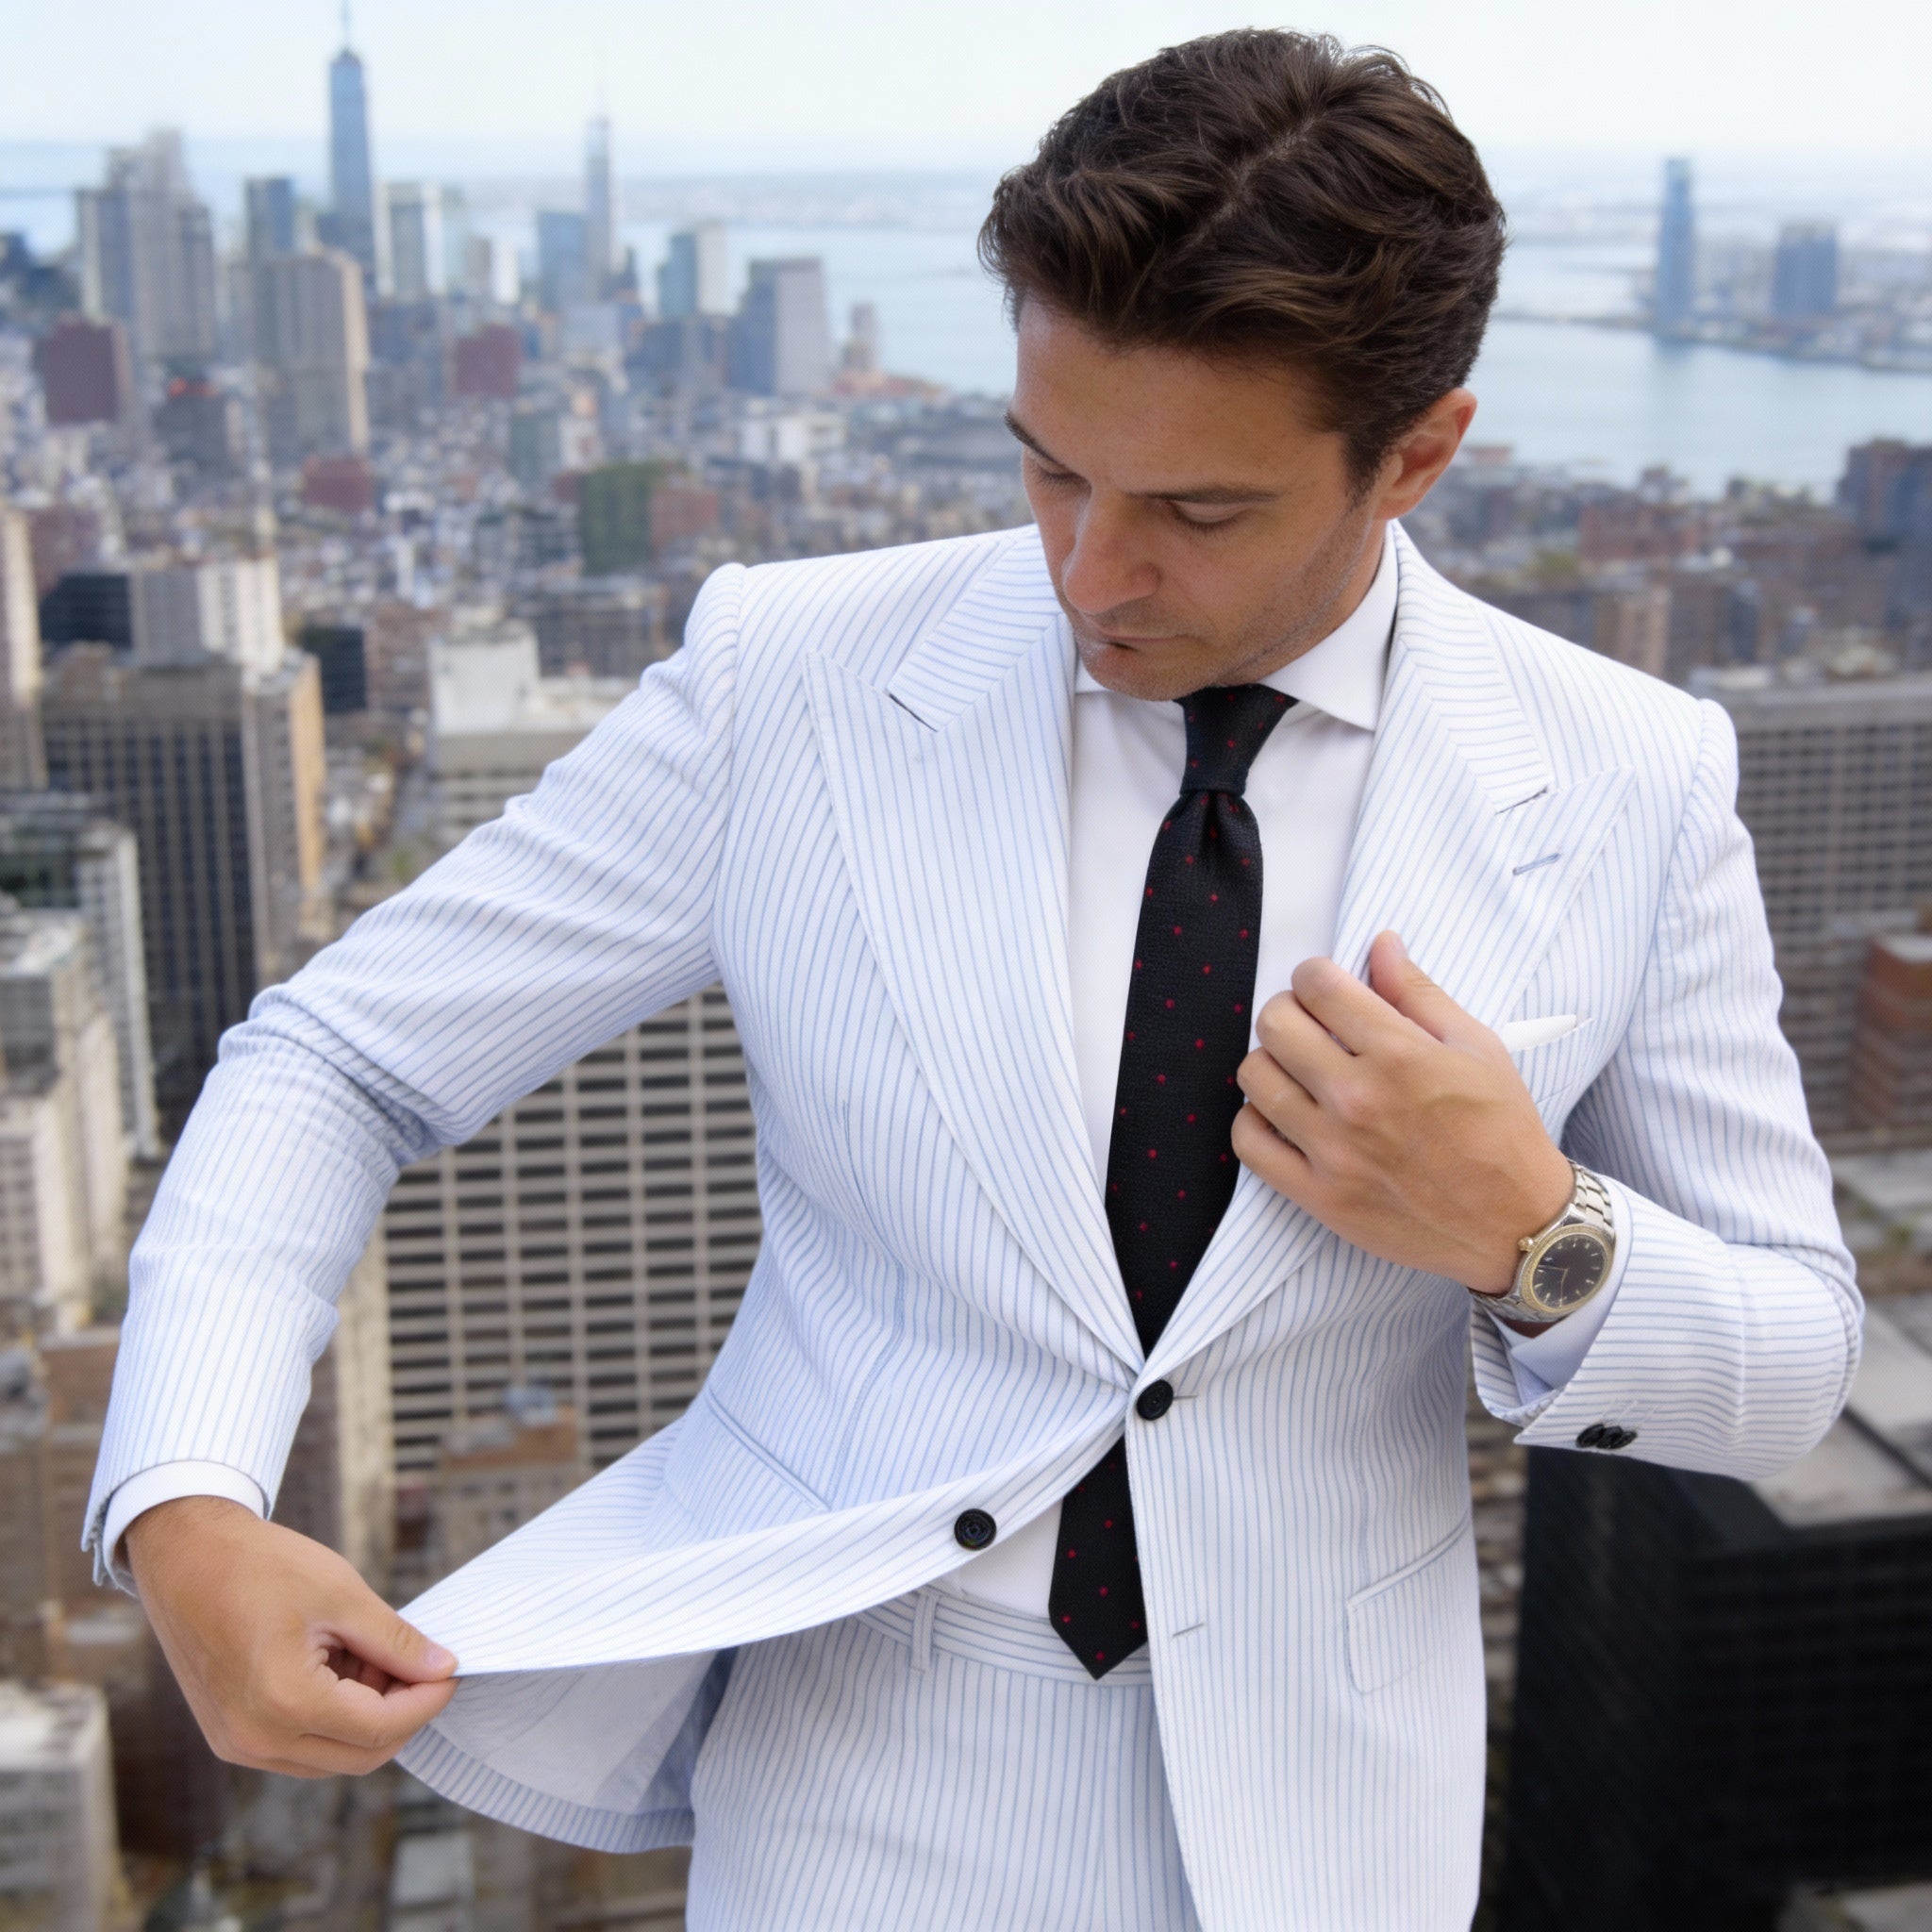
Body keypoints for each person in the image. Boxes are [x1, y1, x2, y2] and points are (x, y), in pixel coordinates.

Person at [90, 29, 1859, 1932]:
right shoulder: (793, 678)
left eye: (1197, 512)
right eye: (1049, 468)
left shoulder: (1627, 774)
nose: (1092, 572)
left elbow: (1790, 1364)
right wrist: (188, 1505)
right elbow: (335, 1057)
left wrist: (1534, 1230)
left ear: (1418, 453)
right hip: (857, 1762)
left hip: (1335, 1816)